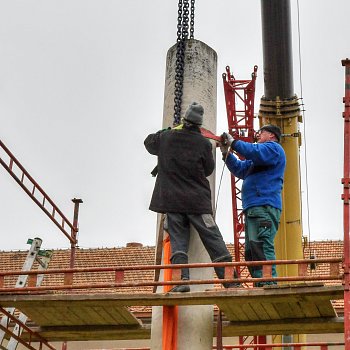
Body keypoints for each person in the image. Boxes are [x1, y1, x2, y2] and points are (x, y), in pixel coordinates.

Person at [144, 102, 239, 292]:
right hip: (198, 202)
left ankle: (181, 282)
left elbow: (148, 142)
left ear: (184, 120)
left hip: (173, 202)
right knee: (213, 239)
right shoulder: (203, 143)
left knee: (178, 242)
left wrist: (166, 130)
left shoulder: (166, 138)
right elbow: (208, 169)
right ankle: (230, 280)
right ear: (199, 124)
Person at [220, 125, 286, 287]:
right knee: (252, 251)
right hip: (255, 207)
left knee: (262, 246)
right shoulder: (259, 158)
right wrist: (226, 154)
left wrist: (234, 142)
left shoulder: (273, 149)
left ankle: (269, 283)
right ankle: (261, 282)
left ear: (271, 135)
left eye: (261, 132)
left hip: (263, 205)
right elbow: (240, 169)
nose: (257, 135)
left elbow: (254, 151)